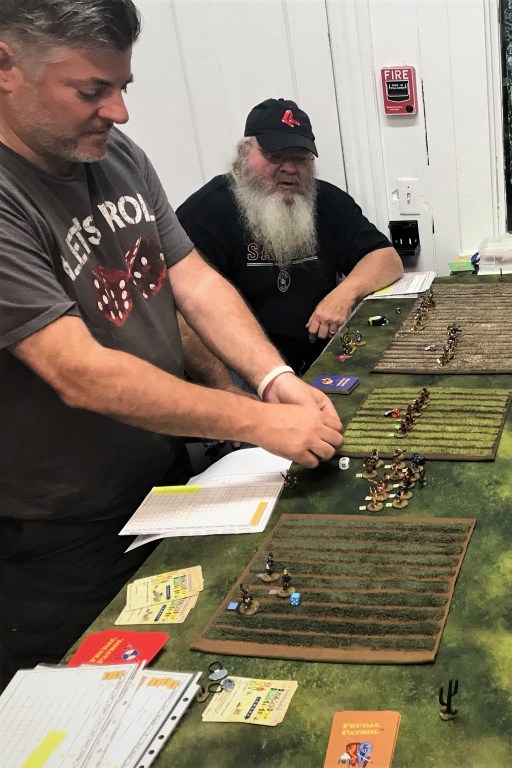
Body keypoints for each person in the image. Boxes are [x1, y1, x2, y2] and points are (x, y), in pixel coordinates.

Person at [0, 0, 343, 689]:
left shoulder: (116, 156)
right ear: (5, 66)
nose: (119, 112)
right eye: (92, 90)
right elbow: (78, 372)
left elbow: (193, 279)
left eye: (123, 86)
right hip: (58, 530)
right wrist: (257, 421)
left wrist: (274, 379)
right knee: (86, 705)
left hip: (157, 480)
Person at [176, 98, 403, 374]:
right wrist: (225, 386)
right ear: (243, 153)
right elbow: (181, 318)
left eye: (300, 158)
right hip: (240, 370)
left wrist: (344, 294)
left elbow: (386, 258)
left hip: (321, 359)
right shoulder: (204, 213)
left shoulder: (328, 202)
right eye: (275, 156)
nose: (290, 168)